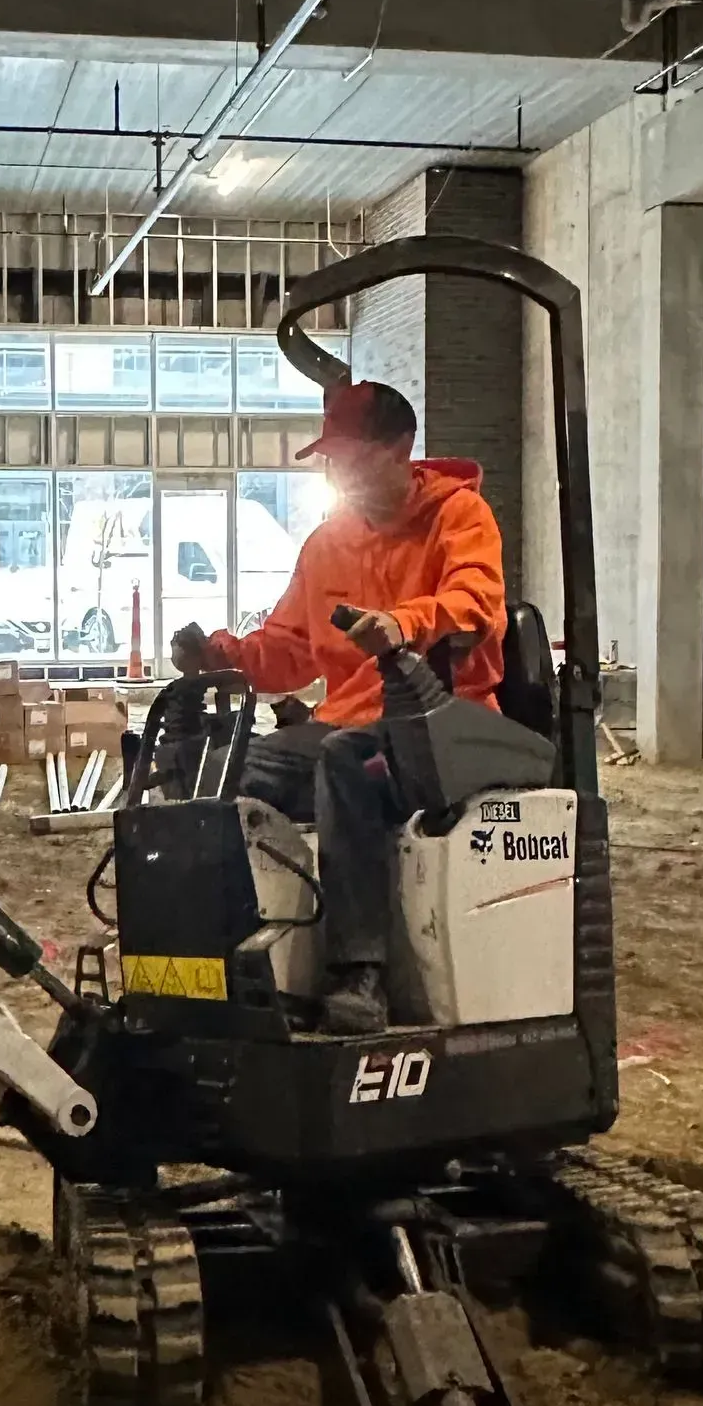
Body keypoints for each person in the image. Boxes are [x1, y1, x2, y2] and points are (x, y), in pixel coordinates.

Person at [171, 378, 506, 1036]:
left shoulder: (459, 518)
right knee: (219, 767)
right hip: (350, 723)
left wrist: (404, 624)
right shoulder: (328, 544)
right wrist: (221, 655)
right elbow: (289, 649)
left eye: (355, 457)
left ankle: (360, 973)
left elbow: (476, 603)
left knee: (344, 760)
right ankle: (233, 956)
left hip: (441, 722)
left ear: (401, 448)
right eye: (334, 459)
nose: (343, 472)